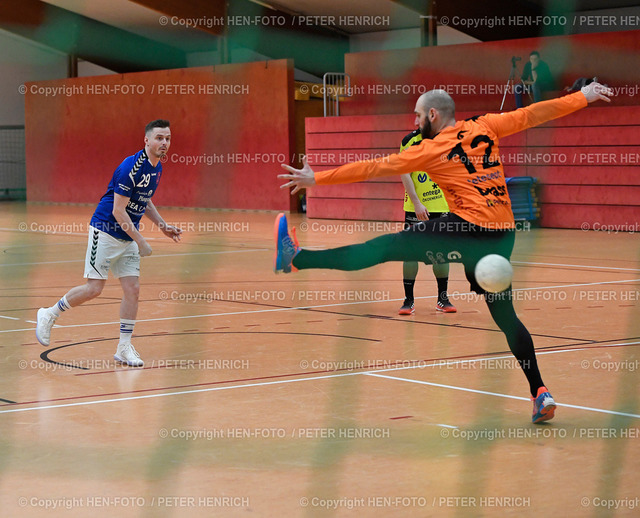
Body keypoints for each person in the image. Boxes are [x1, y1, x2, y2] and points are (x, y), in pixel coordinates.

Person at [275, 83, 612, 423]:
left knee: (384, 248)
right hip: (502, 237)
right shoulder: (486, 125)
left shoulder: (429, 149)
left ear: (432, 115)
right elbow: (534, 113)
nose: (416, 120)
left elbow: (376, 167)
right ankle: (540, 392)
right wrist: (584, 96)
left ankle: (298, 258)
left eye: (419, 115)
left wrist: (317, 179)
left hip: (466, 231)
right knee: (506, 317)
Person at [35, 120, 182, 367]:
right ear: (146, 140)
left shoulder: (156, 168)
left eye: (167, 138)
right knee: (94, 288)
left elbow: (144, 200)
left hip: (128, 235)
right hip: (105, 231)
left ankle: (124, 347)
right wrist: (142, 241)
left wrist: (163, 226)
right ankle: (49, 314)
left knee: (132, 289)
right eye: (159, 138)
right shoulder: (130, 168)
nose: (164, 143)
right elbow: (118, 211)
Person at [398, 129, 456, 315]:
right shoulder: (409, 140)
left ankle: (442, 298)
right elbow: (404, 172)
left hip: (442, 206)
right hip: (416, 207)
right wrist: (416, 203)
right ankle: (408, 300)